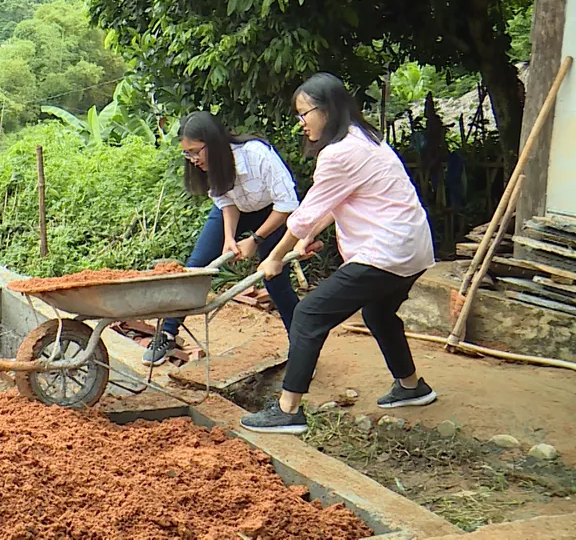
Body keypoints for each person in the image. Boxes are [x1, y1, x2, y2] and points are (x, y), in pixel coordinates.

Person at [241, 73, 438, 434]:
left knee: (308, 313)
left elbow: (306, 211)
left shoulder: (339, 153)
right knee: (378, 312)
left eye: (304, 114)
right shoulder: (366, 139)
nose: (301, 124)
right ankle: (411, 387)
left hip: (386, 251)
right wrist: (306, 237)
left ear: (327, 110)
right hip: (413, 249)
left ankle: (288, 410)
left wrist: (275, 255)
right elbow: (335, 203)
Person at [143, 111, 301, 366]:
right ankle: (168, 332)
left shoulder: (257, 154)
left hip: (274, 213)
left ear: (214, 143)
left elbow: (287, 205)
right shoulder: (208, 166)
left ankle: (301, 347)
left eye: (195, 151)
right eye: (187, 153)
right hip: (236, 210)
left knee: (274, 279)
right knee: (197, 265)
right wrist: (229, 238)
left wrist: (255, 240)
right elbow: (226, 202)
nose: (193, 159)